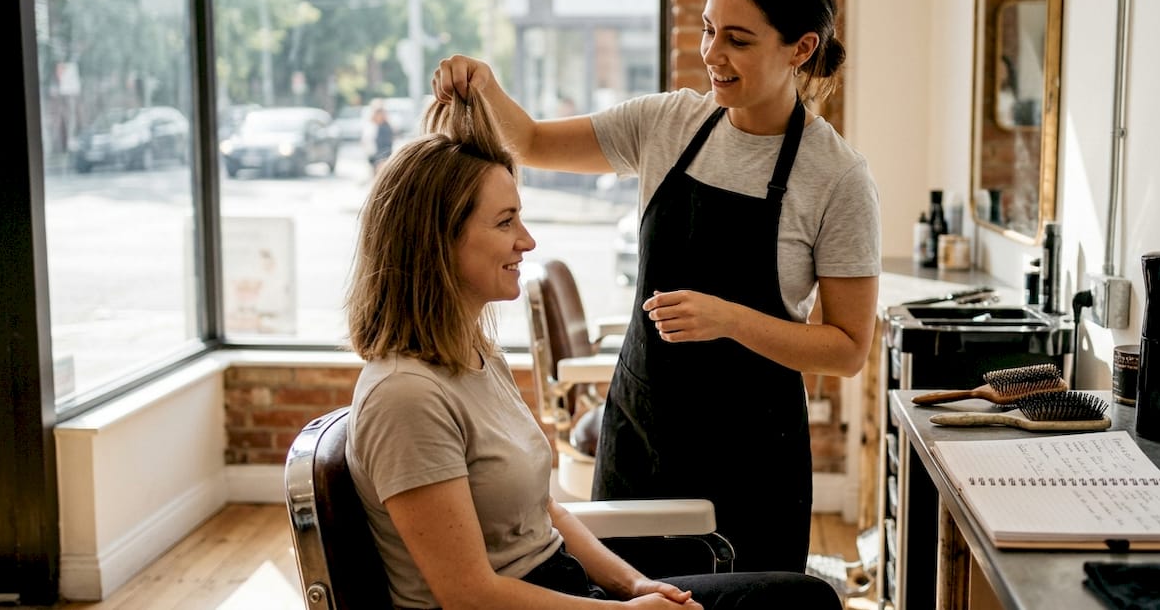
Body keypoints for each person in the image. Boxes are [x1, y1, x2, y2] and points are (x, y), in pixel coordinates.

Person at [432, 0, 881, 573]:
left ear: (801, 48)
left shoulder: (837, 178)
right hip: (640, 432)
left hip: (752, 455)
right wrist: (484, 85)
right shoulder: (666, 124)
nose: (712, 55)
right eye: (707, 30)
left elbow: (847, 348)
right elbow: (529, 140)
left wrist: (728, 320)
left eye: (739, 39)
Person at [343, 93, 842, 609]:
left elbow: (547, 513)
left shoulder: (472, 354)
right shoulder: (405, 399)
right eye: (504, 222)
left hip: (568, 587)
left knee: (799, 597)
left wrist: (635, 585)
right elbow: (470, 595)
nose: (527, 241)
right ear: (437, 240)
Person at [366, 101, 395, 176]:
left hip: (382, 158)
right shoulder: (371, 126)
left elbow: (387, 144)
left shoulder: (385, 127)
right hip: (373, 156)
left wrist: (382, 159)